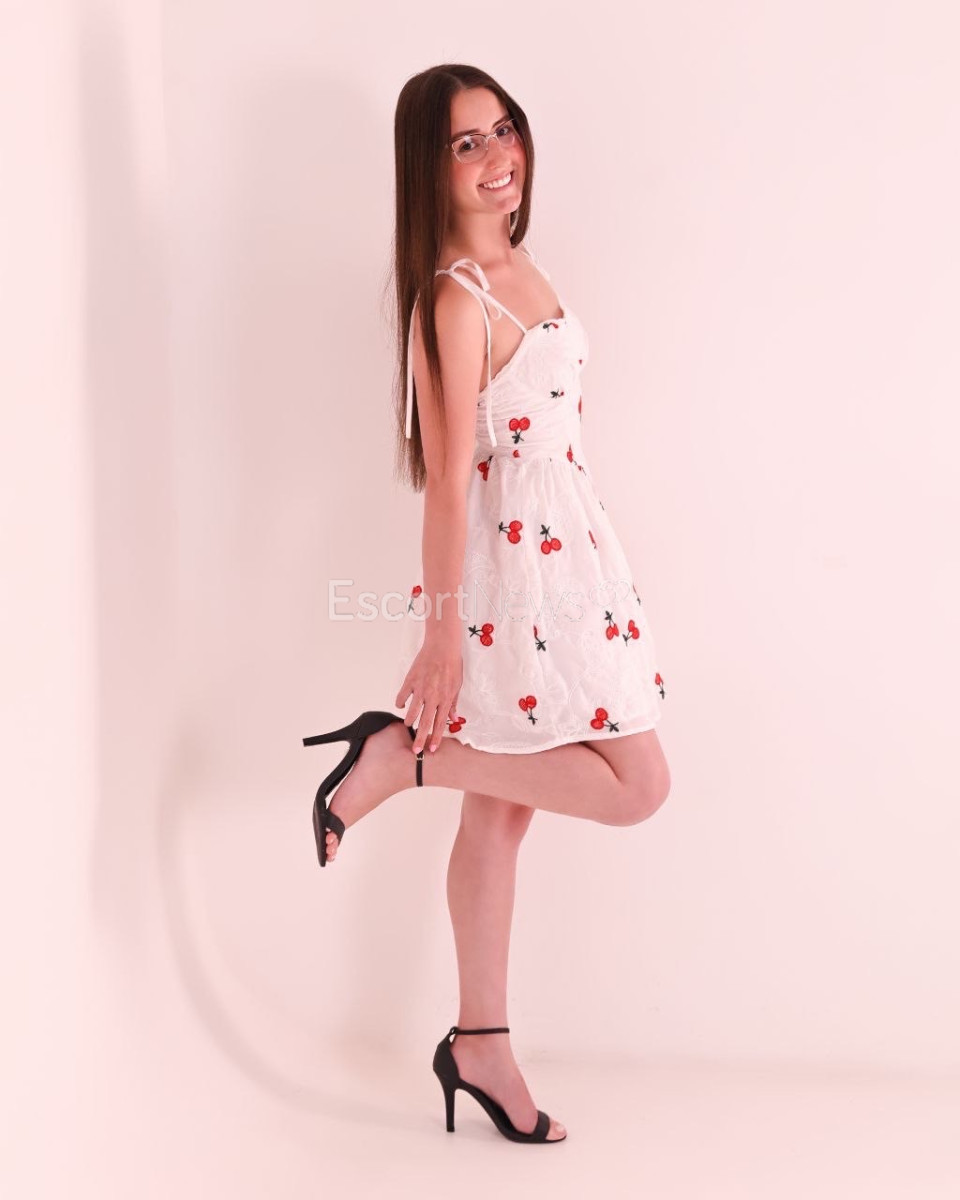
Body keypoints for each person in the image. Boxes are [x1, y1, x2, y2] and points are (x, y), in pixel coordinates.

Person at [303, 64, 671, 1145]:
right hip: (518, 576)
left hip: (571, 556)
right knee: (637, 784)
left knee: (503, 812)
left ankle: (480, 1042)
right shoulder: (456, 297)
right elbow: (450, 478)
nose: (497, 155)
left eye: (502, 130)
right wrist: (442, 634)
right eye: (466, 143)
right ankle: (406, 760)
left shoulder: (522, 263)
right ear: (429, 168)